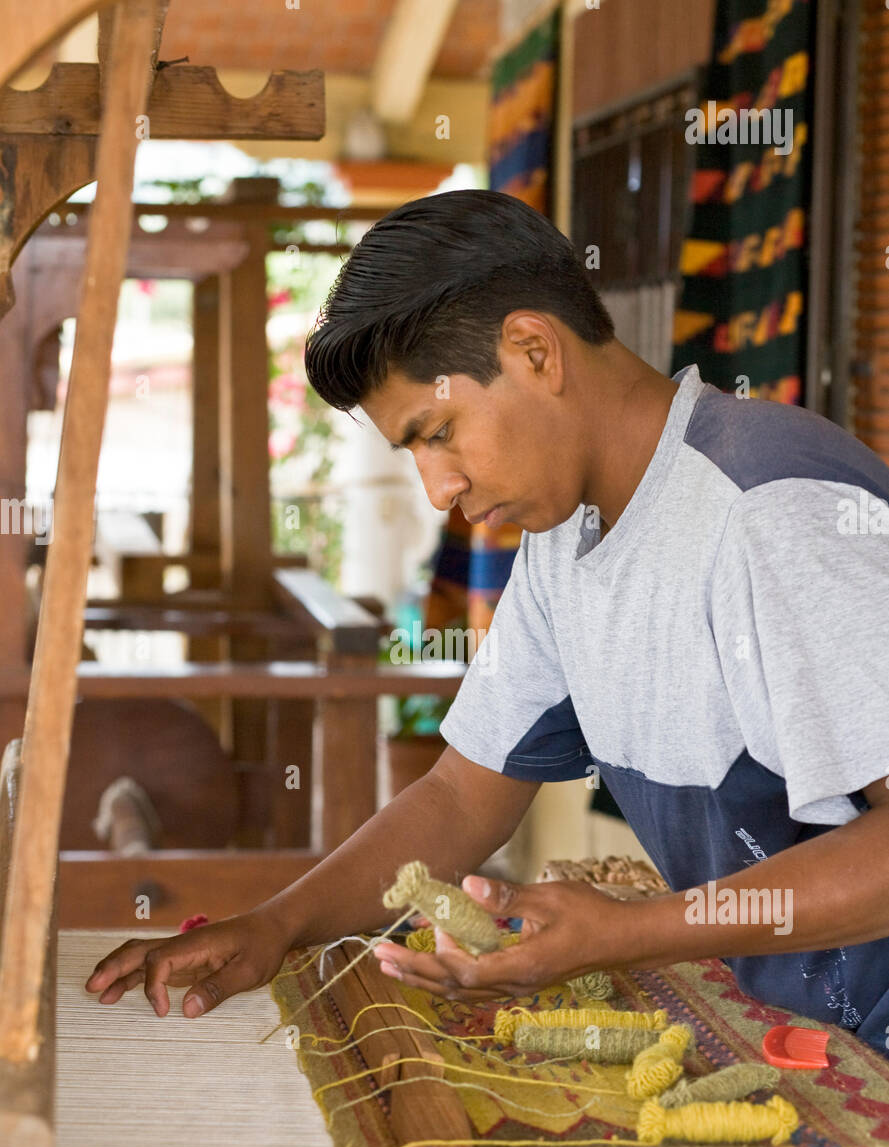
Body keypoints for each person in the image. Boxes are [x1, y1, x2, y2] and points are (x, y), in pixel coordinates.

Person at [87, 190, 889, 1052]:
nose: (439, 489)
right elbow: (462, 795)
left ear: (533, 350)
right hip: (810, 1035)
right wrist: (278, 927)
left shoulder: (769, 511)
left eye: (438, 433)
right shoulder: (568, 536)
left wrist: (627, 931)